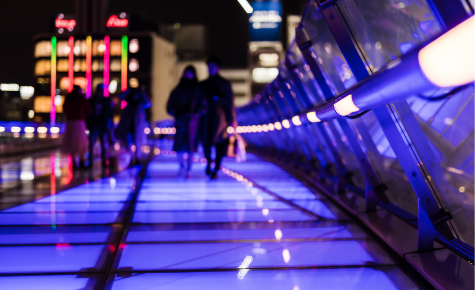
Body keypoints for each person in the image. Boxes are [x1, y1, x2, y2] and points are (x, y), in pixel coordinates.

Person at [192, 57, 235, 179]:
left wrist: (230, 120)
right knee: (207, 142)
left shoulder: (224, 84)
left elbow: (229, 103)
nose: (211, 69)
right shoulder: (203, 84)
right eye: (209, 66)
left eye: (213, 66)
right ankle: (209, 163)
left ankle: (216, 166)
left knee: (219, 142)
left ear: (218, 68)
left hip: (219, 117)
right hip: (206, 116)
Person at [167, 65, 199, 178]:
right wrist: (178, 112)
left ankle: (188, 169)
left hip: (192, 122)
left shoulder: (197, 89)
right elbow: (169, 106)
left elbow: (203, 106)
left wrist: (195, 113)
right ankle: (182, 166)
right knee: (180, 146)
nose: (188, 75)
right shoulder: (178, 89)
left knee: (190, 147)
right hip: (182, 121)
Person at [115, 85, 151, 165]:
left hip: (137, 127)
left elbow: (148, 104)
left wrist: (143, 92)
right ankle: (131, 158)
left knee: (137, 143)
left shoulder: (140, 104)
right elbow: (120, 96)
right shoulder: (129, 101)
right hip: (128, 127)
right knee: (129, 143)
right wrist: (128, 90)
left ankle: (137, 158)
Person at [61, 85, 92, 169]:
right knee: (81, 143)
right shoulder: (82, 98)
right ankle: (82, 161)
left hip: (70, 123)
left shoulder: (68, 98)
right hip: (79, 123)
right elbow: (89, 110)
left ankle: (74, 162)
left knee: (72, 143)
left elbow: (64, 108)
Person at [87, 84, 114, 169]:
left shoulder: (106, 100)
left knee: (103, 144)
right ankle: (90, 161)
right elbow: (88, 113)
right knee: (91, 143)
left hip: (103, 125)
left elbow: (110, 113)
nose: (102, 92)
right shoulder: (92, 100)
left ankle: (103, 162)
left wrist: (111, 126)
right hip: (94, 124)